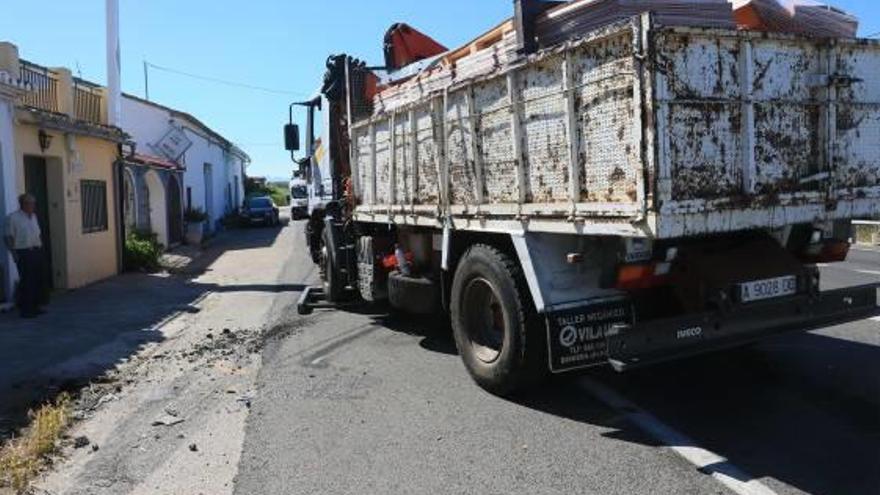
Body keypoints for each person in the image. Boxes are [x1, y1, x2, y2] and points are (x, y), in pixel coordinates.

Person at [4, 193, 44, 318]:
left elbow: (37, 234)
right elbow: (8, 237)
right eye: (29, 203)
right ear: (22, 204)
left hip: (36, 251)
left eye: (33, 203)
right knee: (27, 281)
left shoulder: (34, 217)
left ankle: (35, 307)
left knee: (37, 279)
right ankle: (26, 310)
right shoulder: (12, 218)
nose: (32, 205)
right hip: (23, 252)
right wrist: (14, 254)